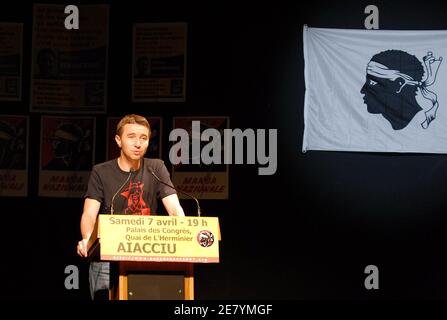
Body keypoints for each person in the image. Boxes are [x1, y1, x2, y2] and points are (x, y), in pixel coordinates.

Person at [76, 114, 185, 300]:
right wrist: (87, 238)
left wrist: (183, 235)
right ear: (118, 140)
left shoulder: (156, 168)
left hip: (146, 256)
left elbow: (175, 209)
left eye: (143, 138)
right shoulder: (101, 172)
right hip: (107, 258)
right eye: (131, 136)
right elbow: (89, 214)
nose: (138, 143)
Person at [361, 50, 442, 130]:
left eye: (372, 83)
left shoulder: (416, 126)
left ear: (399, 84)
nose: (362, 90)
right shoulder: (382, 127)